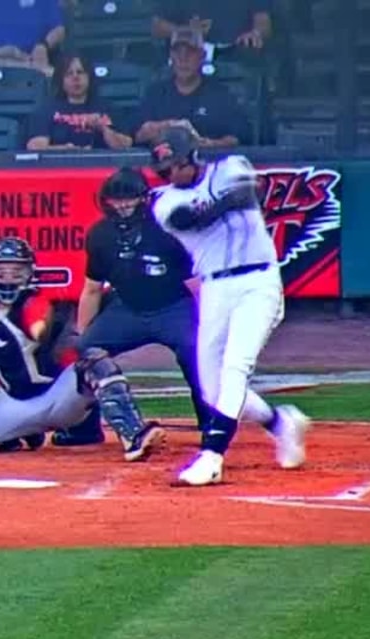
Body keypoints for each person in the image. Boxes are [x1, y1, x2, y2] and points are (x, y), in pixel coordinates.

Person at [148, 127, 309, 486]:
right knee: (211, 389)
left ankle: (212, 455)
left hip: (259, 282)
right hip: (215, 288)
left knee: (236, 367)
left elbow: (250, 192)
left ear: (191, 156)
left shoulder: (232, 165)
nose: (170, 174)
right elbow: (191, 218)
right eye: (164, 170)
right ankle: (280, 423)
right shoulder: (163, 201)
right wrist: (226, 199)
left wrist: (232, 196)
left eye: (175, 165)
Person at [0, 237, 158, 458]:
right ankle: (24, 434)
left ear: (30, 273)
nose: (8, 278)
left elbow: (39, 328)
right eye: (1, 271)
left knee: (93, 361)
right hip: (18, 402)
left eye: (17, 272)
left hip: (59, 395)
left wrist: (42, 330)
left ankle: (131, 434)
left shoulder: (36, 303)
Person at [75, 167, 202, 447]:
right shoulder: (100, 235)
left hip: (173, 307)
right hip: (128, 308)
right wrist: (81, 336)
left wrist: (209, 323)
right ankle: (88, 428)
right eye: (116, 199)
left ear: (143, 198)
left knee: (198, 353)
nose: (122, 205)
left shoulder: (167, 230)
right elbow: (92, 289)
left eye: (129, 198)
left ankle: (212, 425)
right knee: (85, 351)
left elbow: (195, 283)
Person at [134, 29, 252, 148]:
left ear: (202, 55)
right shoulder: (155, 94)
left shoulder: (220, 95)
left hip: (209, 161)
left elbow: (238, 137)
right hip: (164, 161)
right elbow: (137, 136)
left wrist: (211, 144)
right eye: (177, 52)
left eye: (190, 52)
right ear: (170, 55)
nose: (183, 59)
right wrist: (171, 125)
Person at [24, 54, 135, 151]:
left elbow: (126, 145)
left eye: (80, 72)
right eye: (69, 74)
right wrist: (65, 150)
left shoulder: (109, 108)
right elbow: (35, 146)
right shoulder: (46, 110)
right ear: (60, 80)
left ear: (89, 77)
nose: (75, 78)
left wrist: (103, 128)